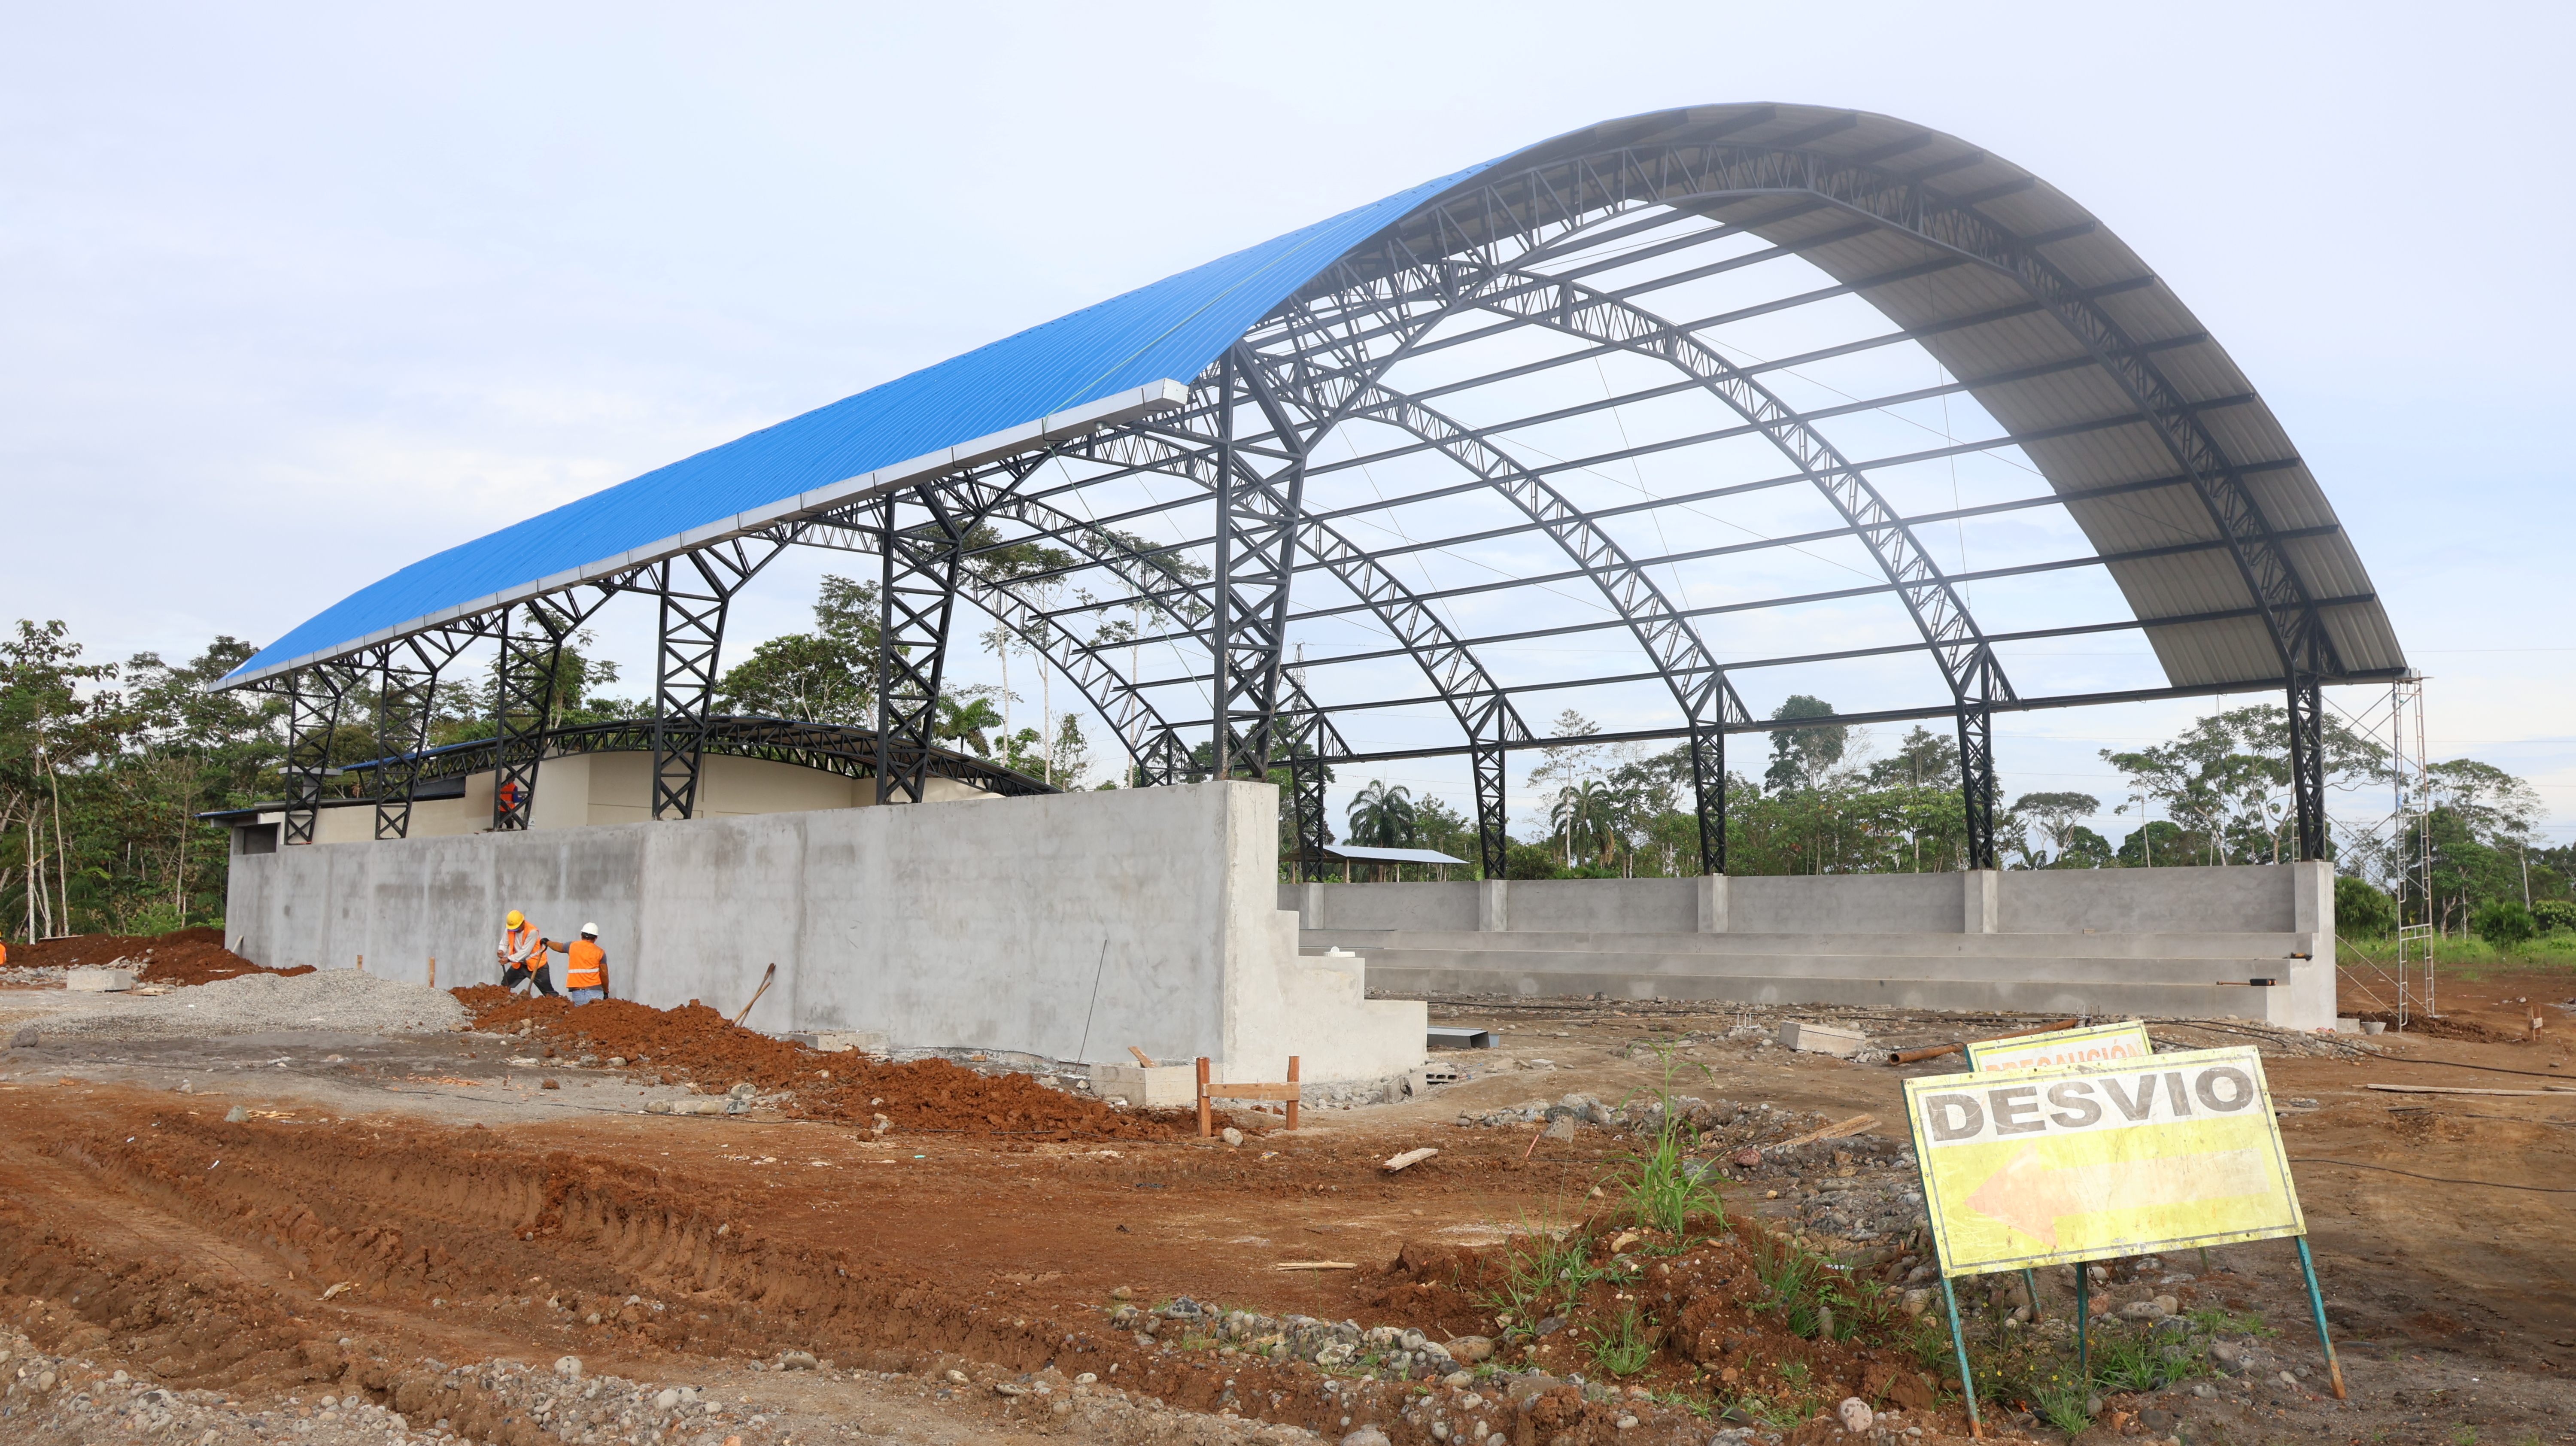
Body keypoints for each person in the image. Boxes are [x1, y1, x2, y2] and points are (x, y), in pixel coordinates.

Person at [544, 923, 609, 1005]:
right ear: (596, 938)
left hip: (577, 992)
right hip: (595, 992)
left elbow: (558, 947)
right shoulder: (600, 952)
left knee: (579, 1016)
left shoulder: (572, 946)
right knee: (595, 1016)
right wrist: (606, 991)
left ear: (582, 935)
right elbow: (604, 974)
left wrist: (548, 942)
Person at [496, 909, 557, 997]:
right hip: (520, 963)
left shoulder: (532, 932)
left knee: (549, 993)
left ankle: (559, 1006)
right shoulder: (510, 929)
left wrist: (509, 959)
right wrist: (501, 951)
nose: (515, 931)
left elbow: (525, 952)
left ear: (523, 923)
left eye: (517, 929)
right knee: (505, 985)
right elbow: (504, 943)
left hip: (536, 965)